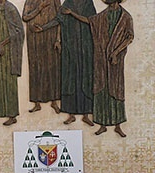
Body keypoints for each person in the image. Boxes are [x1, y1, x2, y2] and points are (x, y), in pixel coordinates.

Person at [89, 0, 133, 137]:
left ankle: (118, 124)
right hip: (101, 59)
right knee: (101, 88)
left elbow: (129, 37)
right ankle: (102, 124)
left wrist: (116, 52)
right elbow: (90, 21)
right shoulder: (102, 15)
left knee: (116, 89)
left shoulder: (126, 17)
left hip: (116, 60)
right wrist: (72, 14)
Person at [55, 0, 96, 126]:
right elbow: (59, 21)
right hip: (70, 46)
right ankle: (71, 114)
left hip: (85, 46)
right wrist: (58, 40)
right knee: (70, 77)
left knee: (85, 76)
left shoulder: (88, 3)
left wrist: (72, 13)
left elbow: (90, 21)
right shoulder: (68, 2)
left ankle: (86, 114)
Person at [22, 0, 61, 114]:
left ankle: (54, 101)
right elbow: (25, 17)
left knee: (52, 68)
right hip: (34, 38)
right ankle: (37, 102)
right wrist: (39, 8)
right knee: (36, 68)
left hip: (51, 37)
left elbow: (60, 19)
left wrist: (58, 38)